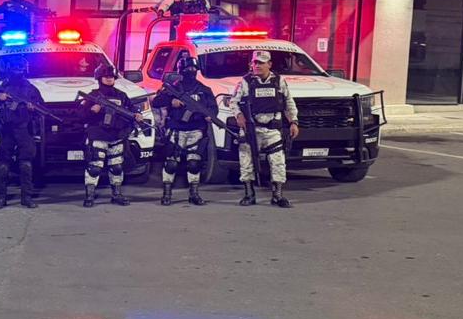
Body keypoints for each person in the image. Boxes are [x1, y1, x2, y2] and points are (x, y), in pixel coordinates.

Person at [229, 50, 300, 208]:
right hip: (250, 129)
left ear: (269, 64)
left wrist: (293, 122)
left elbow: (288, 102)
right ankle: (249, 194)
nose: (257, 65)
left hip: (272, 130)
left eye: (261, 63)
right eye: (255, 62)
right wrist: (239, 115)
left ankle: (277, 195)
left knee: (278, 162)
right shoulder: (245, 82)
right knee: (246, 161)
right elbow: (233, 102)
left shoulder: (279, 81)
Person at [152, 51, 217, 206]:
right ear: (181, 71)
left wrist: (211, 116)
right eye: (188, 69)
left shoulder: (204, 90)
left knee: (194, 164)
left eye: (193, 69)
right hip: (176, 130)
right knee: (171, 163)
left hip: (196, 130)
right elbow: (156, 102)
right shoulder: (173, 88)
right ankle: (167, 194)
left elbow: (213, 108)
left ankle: (194, 194)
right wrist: (171, 101)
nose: (191, 72)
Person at [80, 62, 142, 207]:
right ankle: (89, 195)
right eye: (106, 76)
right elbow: (80, 115)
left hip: (116, 136)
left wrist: (137, 115)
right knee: (94, 167)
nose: (109, 79)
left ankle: (117, 194)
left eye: (111, 76)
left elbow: (131, 110)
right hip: (98, 135)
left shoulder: (122, 95)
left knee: (117, 167)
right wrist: (92, 110)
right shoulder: (93, 96)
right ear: (99, 78)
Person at [0, 54, 43, 209]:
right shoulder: (2, 87)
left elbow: (41, 109)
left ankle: (26, 197)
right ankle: (0, 198)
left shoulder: (30, 89)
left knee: (26, 164)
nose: (18, 72)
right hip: (6, 130)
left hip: (24, 129)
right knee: (3, 165)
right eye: (16, 69)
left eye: (20, 69)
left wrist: (32, 108)